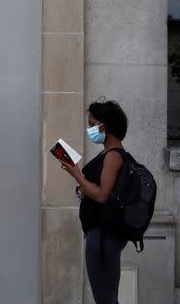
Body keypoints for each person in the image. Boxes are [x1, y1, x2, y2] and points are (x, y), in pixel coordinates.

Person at [61, 100, 128, 304]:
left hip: (102, 235)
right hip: (101, 234)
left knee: (104, 298)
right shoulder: (109, 154)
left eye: (92, 124)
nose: (90, 129)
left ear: (104, 126)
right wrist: (84, 188)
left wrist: (76, 175)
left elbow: (102, 195)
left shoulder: (113, 156)